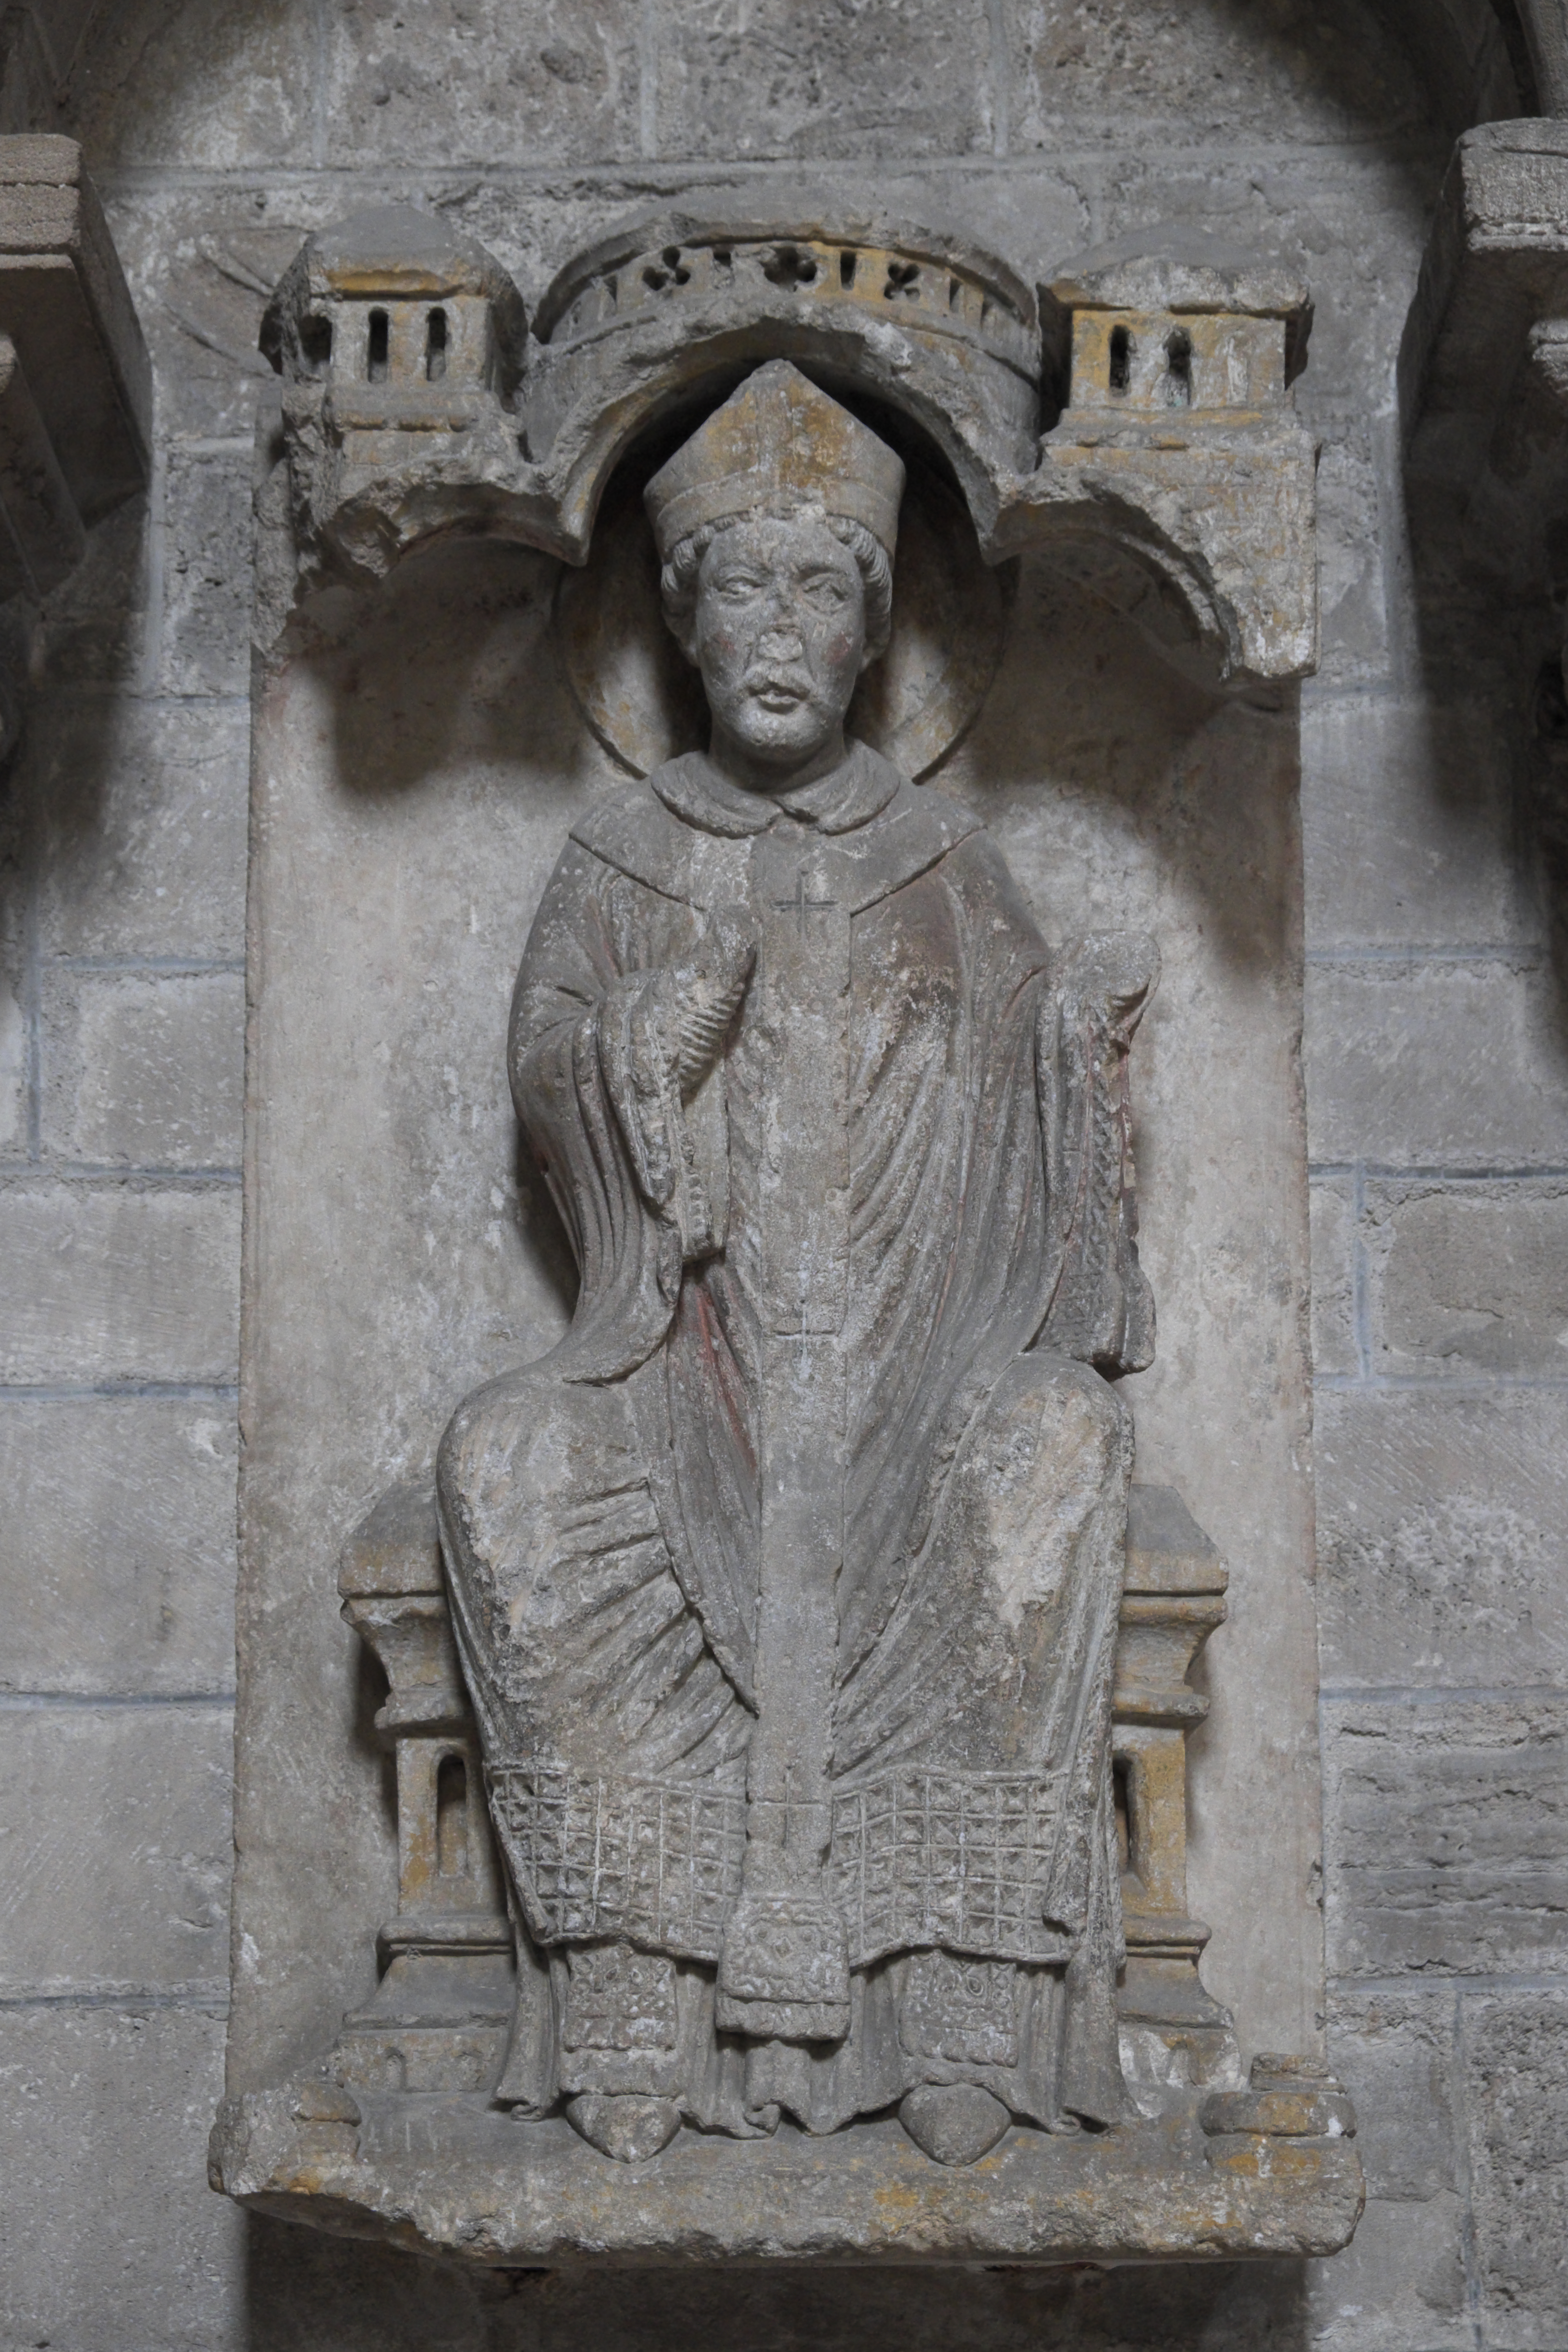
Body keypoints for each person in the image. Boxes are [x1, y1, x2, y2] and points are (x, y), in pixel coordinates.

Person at [438, 360, 1158, 2166]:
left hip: (917, 1383)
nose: (777, 626)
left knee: (1053, 1447)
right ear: (678, 619)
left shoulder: (951, 864)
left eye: (819, 585)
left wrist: (1076, 1056)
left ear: (876, 630)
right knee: (508, 1464)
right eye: (738, 587)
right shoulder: (618, 854)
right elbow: (549, 1081)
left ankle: (958, 1995)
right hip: (680, 1361)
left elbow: (1029, 1132)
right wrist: (634, 1066)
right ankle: (631, 1970)